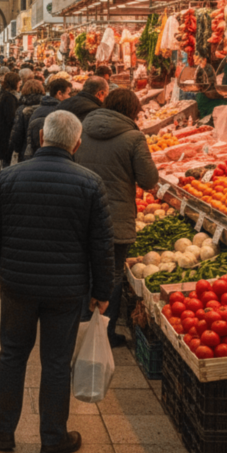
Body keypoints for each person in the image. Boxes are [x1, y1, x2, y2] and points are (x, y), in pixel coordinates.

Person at [0, 110, 114, 453]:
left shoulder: (8, 178)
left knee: (12, 354)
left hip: (17, 285)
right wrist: (102, 291)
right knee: (56, 362)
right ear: (77, 144)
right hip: (66, 290)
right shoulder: (90, 183)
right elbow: (101, 245)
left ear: (41, 137)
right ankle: (53, 438)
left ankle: (4, 430)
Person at [75, 88, 159, 346]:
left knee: (84, 270)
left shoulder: (81, 129)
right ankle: (105, 335)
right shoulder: (134, 137)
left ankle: (80, 327)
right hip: (116, 218)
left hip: (81, 213)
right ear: (132, 111)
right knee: (110, 274)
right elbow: (148, 180)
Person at [25, 77, 73, 159]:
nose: (70, 97)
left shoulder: (36, 110)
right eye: (69, 94)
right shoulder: (62, 113)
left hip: (35, 158)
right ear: (59, 94)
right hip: (56, 158)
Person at [7, 79, 45, 162]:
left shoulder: (21, 109)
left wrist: (15, 148)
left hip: (25, 150)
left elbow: (17, 132)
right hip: (43, 147)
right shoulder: (44, 107)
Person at [0, 71, 21, 171]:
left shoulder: (3, 94)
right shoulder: (9, 98)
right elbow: (11, 118)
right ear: (14, 82)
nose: (20, 84)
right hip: (6, 136)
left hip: (2, 135)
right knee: (6, 165)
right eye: (18, 82)